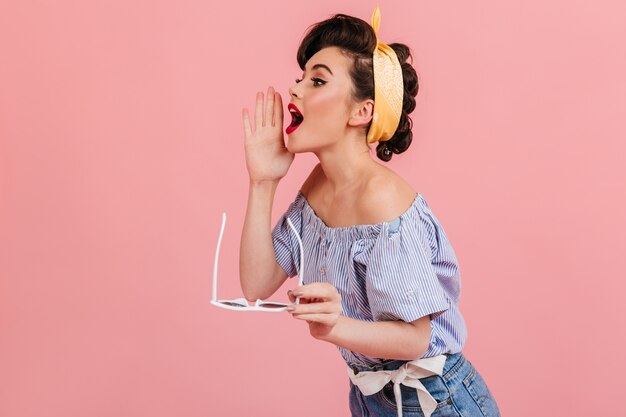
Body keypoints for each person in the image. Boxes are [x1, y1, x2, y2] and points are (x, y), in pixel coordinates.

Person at [240, 6, 500, 417]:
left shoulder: (380, 198)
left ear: (361, 112)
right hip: (370, 396)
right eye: (300, 79)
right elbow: (256, 284)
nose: (295, 91)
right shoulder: (318, 183)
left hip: (434, 398)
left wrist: (334, 325)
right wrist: (263, 180)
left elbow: (416, 338)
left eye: (318, 80)